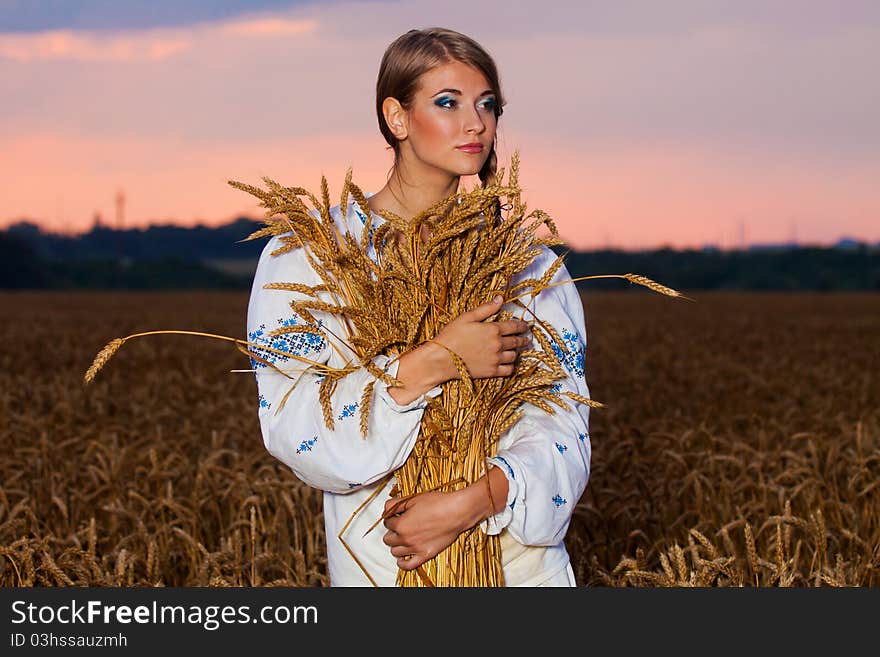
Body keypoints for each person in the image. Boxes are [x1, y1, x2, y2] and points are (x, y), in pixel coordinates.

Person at [246, 27, 591, 586]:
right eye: (448, 103)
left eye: (487, 105)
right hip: (383, 558)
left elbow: (563, 423)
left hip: (516, 566)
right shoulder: (313, 258)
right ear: (397, 117)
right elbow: (294, 423)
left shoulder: (527, 265)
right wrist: (437, 359)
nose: (475, 122)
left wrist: (477, 500)